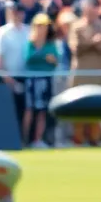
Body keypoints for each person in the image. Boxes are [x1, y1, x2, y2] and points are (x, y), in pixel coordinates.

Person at [68, 0, 101, 145]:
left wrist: (93, 43)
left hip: (98, 73)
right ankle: (78, 137)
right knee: (79, 105)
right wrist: (93, 42)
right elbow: (76, 48)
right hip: (81, 73)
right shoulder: (76, 27)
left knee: (96, 105)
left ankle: (95, 137)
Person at [22, 13, 61, 148]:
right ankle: (24, 139)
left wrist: (49, 59)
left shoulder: (51, 44)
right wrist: (44, 57)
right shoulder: (30, 43)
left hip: (46, 80)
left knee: (42, 111)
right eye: (39, 26)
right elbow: (28, 58)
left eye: (44, 26)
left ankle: (38, 140)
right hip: (31, 81)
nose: (41, 29)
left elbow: (55, 60)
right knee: (29, 110)